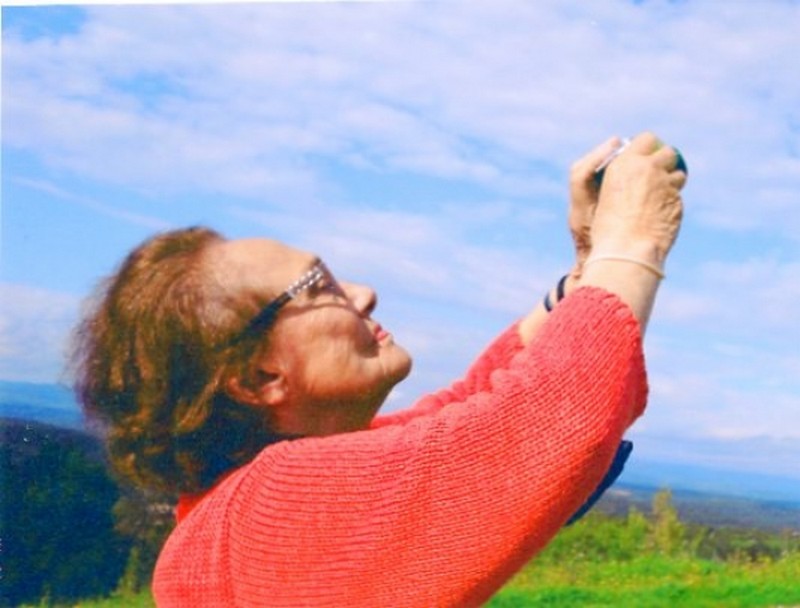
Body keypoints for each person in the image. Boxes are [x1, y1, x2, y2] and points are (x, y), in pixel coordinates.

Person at [72, 132, 686, 607]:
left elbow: (469, 404)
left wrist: (585, 268)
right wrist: (632, 241)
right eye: (319, 287)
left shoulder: (236, 512)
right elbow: (541, 420)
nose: (363, 293)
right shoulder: (266, 514)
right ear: (258, 379)